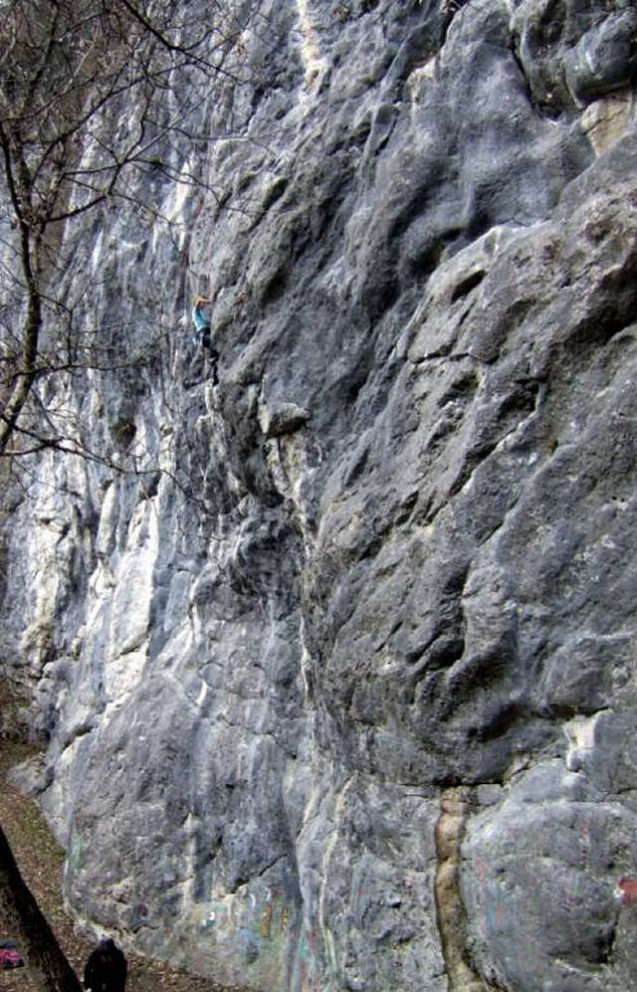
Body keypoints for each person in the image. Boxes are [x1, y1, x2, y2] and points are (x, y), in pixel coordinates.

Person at [191, 294, 219, 384]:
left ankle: (214, 376)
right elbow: (197, 303)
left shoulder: (200, 312)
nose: (204, 305)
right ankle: (214, 377)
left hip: (204, 333)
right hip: (202, 333)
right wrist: (207, 301)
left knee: (213, 353)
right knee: (213, 347)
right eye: (202, 303)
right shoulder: (195, 311)